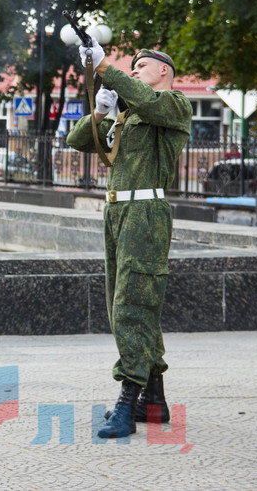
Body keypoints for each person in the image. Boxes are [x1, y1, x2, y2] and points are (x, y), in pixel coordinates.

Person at [66, 43, 191, 439]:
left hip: (145, 214)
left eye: (142, 66)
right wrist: (100, 111)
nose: (134, 71)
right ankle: (153, 402)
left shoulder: (173, 105)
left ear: (164, 72)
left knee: (130, 306)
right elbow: (77, 140)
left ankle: (127, 400)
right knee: (130, 303)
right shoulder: (129, 115)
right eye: (131, 67)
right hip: (118, 213)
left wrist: (104, 66)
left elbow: (146, 100)